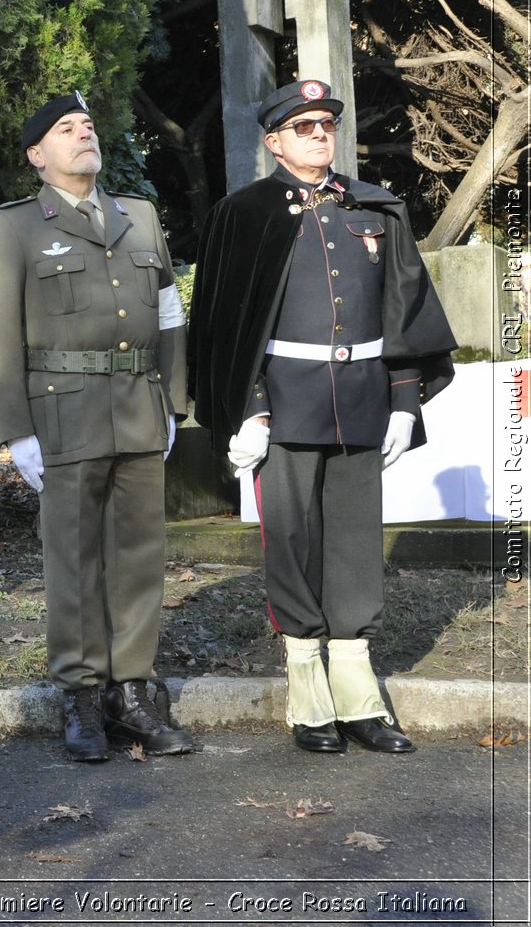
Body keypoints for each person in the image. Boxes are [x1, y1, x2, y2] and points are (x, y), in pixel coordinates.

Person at [189, 79, 455, 755]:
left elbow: (403, 309)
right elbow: (224, 326)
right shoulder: (242, 214)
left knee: (356, 543)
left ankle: (360, 695)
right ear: (274, 140)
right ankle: (309, 689)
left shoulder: (375, 207)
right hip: (284, 404)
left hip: (362, 400)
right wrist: (247, 412)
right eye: (302, 127)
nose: (318, 136)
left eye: (326, 126)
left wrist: (402, 400)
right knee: (293, 540)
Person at [0, 92, 192, 762]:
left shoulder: (140, 217)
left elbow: (168, 312)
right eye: (66, 130)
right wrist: (16, 430)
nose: (83, 135)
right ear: (38, 156)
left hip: (138, 410)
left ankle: (130, 692)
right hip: (62, 417)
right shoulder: (15, 228)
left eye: (88, 126)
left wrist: (174, 402)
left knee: (139, 556)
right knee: (72, 558)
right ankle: (79, 694)